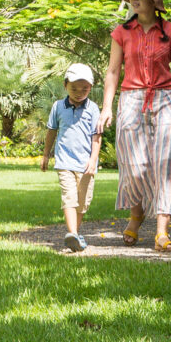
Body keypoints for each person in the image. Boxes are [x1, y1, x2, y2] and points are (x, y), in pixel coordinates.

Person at [100, 0, 171, 252]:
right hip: (131, 99)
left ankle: (162, 233)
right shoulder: (122, 32)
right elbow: (113, 70)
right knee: (134, 166)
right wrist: (106, 106)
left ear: (154, 0)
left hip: (164, 100)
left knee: (164, 167)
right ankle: (136, 214)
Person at [39, 62, 104, 252]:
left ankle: (74, 234)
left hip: (85, 165)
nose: (79, 92)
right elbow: (51, 132)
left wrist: (93, 160)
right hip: (64, 162)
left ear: (90, 88)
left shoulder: (92, 109)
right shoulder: (58, 106)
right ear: (65, 84)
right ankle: (72, 233)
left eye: (84, 88)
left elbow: (96, 138)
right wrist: (45, 155)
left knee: (82, 202)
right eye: (74, 88)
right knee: (69, 197)